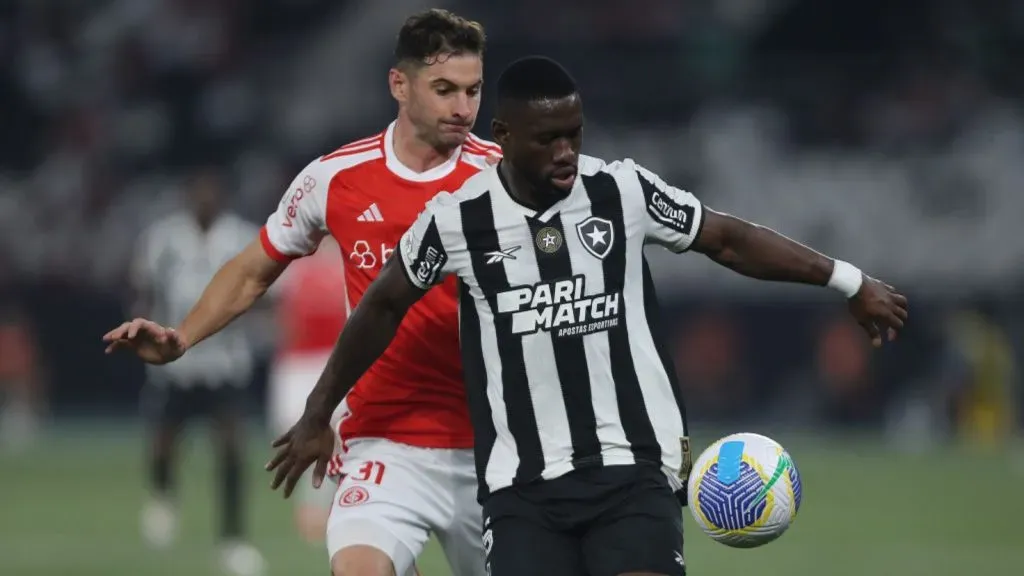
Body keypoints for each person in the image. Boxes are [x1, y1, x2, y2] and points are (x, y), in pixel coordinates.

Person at [267, 56, 909, 576]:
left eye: (574, 133)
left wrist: (846, 280)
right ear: (505, 138)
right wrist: (319, 413)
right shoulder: (456, 220)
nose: (566, 152)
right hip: (520, 487)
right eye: (548, 139)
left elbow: (727, 239)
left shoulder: (622, 191)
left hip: (632, 469)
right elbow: (382, 305)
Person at [104, 9, 498, 576]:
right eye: (444, 90)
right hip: (382, 445)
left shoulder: (504, 180)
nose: (463, 108)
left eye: (473, 90)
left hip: (493, 447)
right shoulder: (335, 178)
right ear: (399, 85)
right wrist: (181, 336)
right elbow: (252, 270)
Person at [129, 167, 267, 576]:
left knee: (231, 448)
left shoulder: (240, 236)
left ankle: (232, 539)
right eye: (199, 190)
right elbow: (145, 291)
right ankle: (163, 494)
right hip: (176, 362)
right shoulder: (163, 239)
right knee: (164, 441)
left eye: (213, 190)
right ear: (188, 194)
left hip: (225, 362)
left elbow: (259, 289)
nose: (206, 197)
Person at [266, 236, 347, 543]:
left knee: (337, 435)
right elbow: (277, 311)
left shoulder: (346, 260)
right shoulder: (293, 263)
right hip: (296, 363)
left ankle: (320, 505)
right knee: (297, 435)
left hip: (331, 360)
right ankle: (314, 502)